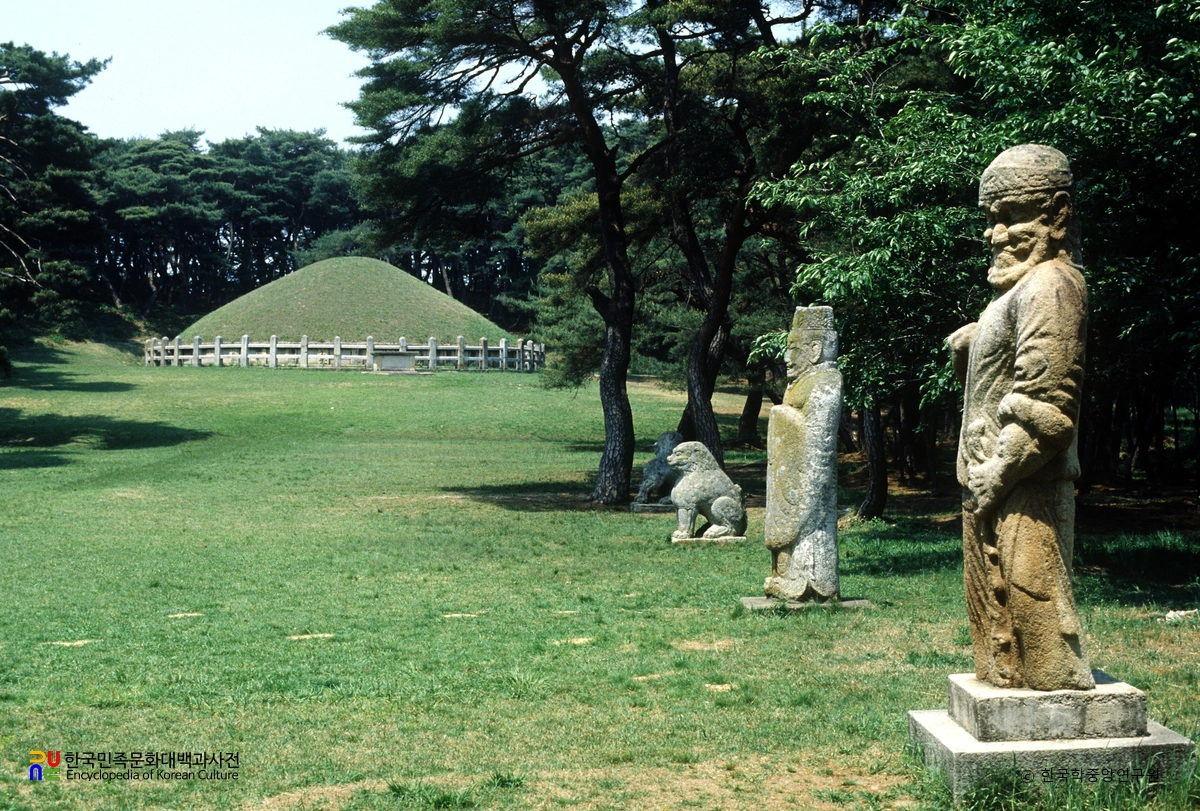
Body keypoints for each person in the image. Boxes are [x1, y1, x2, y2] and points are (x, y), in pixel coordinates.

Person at [948, 144, 1094, 691]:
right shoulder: (1023, 289)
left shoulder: (1053, 285)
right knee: (997, 623)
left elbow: (1050, 405)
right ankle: (1015, 685)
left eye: (1012, 217)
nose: (996, 234)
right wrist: (976, 339)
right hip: (991, 481)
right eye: (991, 220)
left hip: (1021, 481)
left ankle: (1057, 693)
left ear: (1056, 215)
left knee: (1037, 603)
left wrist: (999, 472)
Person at [764, 307, 842, 601]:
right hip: (792, 476)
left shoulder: (826, 382)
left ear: (815, 349)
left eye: (792, 348)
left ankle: (807, 582)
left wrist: (783, 418)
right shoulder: (802, 384)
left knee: (809, 536)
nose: (786, 357)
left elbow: (818, 444)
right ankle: (786, 575)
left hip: (809, 484)